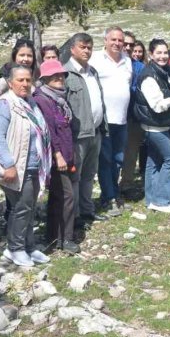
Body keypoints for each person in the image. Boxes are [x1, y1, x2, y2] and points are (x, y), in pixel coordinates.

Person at [0, 65, 51, 267]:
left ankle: (28, 247)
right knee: (21, 207)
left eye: (27, 80)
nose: (24, 84)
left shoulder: (30, 102)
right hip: (15, 166)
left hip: (33, 164)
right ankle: (15, 248)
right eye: (20, 80)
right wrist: (9, 165)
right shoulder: (4, 104)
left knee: (28, 207)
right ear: (10, 82)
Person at [135, 39, 170, 213]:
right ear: (151, 54)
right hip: (154, 127)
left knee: (154, 162)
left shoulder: (163, 71)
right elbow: (158, 105)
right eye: (158, 53)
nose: (162, 56)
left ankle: (151, 198)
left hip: (159, 126)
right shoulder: (148, 76)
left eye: (165, 53)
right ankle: (161, 201)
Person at [33, 59, 80, 254]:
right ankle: (65, 238)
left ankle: (55, 237)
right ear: (44, 78)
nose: (59, 77)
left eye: (61, 74)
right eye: (54, 75)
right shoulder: (42, 100)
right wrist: (58, 154)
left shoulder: (59, 98)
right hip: (55, 157)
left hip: (66, 154)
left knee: (58, 197)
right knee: (67, 196)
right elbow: (49, 131)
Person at [63, 32, 109, 226]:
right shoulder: (65, 73)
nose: (87, 51)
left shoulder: (93, 71)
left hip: (95, 132)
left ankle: (88, 210)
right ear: (72, 49)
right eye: (83, 47)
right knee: (76, 177)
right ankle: (74, 216)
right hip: (77, 135)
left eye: (89, 47)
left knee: (90, 175)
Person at [90, 26, 133, 216]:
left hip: (122, 119)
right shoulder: (95, 60)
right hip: (105, 119)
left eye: (120, 40)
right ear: (105, 40)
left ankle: (114, 193)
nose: (117, 43)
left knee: (118, 159)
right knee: (106, 160)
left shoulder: (127, 60)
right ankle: (108, 198)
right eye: (113, 40)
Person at [123, 39, 148, 190]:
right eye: (125, 43)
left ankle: (126, 184)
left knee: (131, 153)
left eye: (131, 45)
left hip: (133, 116)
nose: (127, 47)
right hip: (110, 117)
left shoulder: (139, 67)